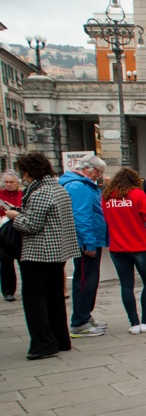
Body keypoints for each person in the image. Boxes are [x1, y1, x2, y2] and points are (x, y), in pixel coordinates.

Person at [5, 153, 80, 360]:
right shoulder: (58, 188)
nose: (23, 177)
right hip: (57, 252)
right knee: (54, 297)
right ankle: (60, 339)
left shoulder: (41, 192)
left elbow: (31, 225)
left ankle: (44, 343)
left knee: (35, 299)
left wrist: (15, 216)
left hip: (39, 252)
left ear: (30, 171)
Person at [102, 168, 146, 335]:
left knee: (126, 285)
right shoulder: (137, 195)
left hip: (117, 246)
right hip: (138, 245)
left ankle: (134, 323)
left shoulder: (107, 197)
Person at [60, 154, 108, 337]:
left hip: (90, 239)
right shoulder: (78, 186)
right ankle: (80, 322)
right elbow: (81, 216)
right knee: (85, 281)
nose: (99, 176)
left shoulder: (79, 184)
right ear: (88, 169)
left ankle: (85, 316)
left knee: (89, 280)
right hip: (87, 241)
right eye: (98, 172)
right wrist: (89, 242)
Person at [0, 170, 23, 301]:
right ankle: (8, 291)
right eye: (6, 182)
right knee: (6, 261)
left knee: (24, 261)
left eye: (11, 182)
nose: (8, 184)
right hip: (4, 232)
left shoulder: (22, 194)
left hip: (19, 231)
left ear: (17, 183)